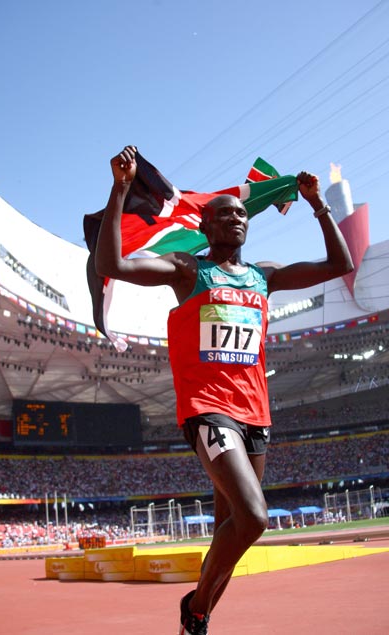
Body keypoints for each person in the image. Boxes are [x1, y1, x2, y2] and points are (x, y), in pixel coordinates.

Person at [95, 145, 354, 635]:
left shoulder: (264, 277)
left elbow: (338, 263)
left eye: (240, 214)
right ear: (206, 227)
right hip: (209, 411)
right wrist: (120, 189)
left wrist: (317, 203)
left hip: (256, 415)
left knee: (228, 537)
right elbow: (114, 263)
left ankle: (198, 618)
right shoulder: (188, 270)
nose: (235, 218)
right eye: (224, 214)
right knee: (253, 518)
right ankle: (194, 605)